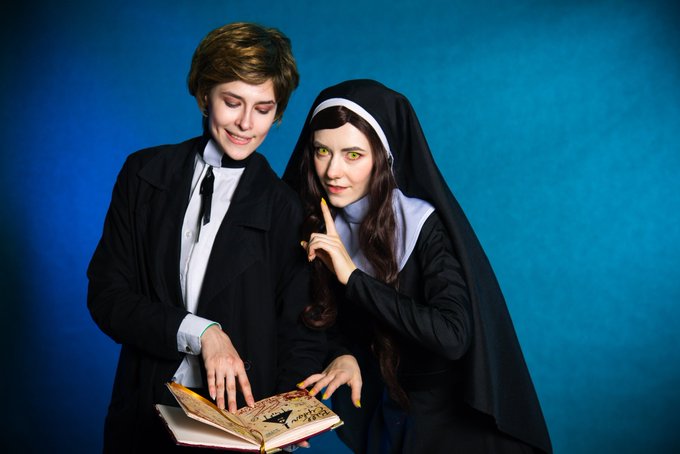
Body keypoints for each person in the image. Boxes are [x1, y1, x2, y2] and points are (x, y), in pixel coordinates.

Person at [87, 22, 324, 452]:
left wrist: (287, 418)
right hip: (143, 414)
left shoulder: (286, 208)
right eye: (232, 102)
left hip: (240, 427)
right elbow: (107, 297)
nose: (246, 123)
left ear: (278, 113)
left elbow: (298, 332)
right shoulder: (142, 174)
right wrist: (202, 332)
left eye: (264, 109)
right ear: (203, 95)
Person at [284, 79, 552, 453]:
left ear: (383, 157)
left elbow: (452, 336)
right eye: (322, 151)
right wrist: (342, 355)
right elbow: (329, 322)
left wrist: (353, 277)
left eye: (353, 155)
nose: (332, 171)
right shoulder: (318, 226)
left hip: (453, 428)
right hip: (389, 416)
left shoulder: (423, 224)